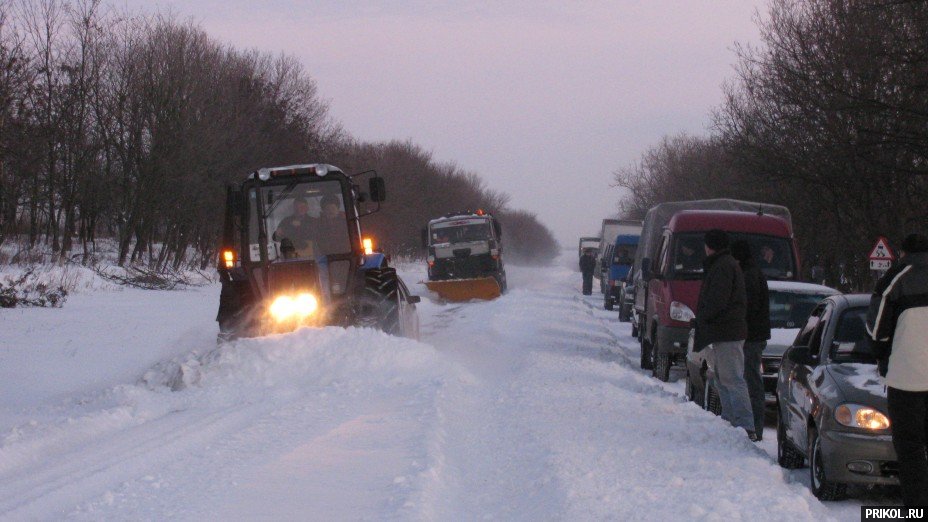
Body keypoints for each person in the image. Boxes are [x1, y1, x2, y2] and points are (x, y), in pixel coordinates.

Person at [866, 233, 928, 507]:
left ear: (903, 253)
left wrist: (881, 354)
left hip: (907, 379)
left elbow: (876, 330)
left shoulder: (895, 279)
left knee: (911, 448)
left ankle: (917, 509)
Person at [693, 229, 756, 440]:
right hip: (724, 331)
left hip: (728, 331)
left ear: (710, 246)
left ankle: (745, 426)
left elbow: (717, 300)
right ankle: (731, 422)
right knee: (722, 378)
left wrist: (703, 317)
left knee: (732, 379)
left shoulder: (723, 267)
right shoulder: (725, 264)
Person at [731, 240, 770, 440]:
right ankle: (752, 426)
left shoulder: (749, 275)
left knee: (750, 381)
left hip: (751, 337)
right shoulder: (751, 272)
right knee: (748, 379)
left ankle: (754, 427)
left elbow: (748, 307)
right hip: (753, 335)